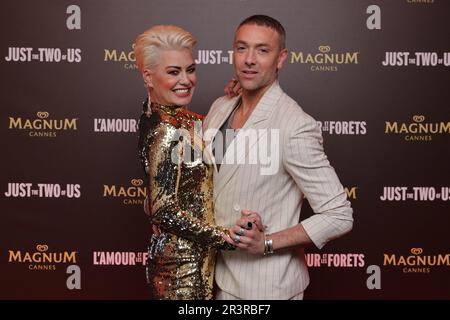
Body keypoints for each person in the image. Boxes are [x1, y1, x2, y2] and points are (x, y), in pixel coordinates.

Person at [203, 15, 354, 300]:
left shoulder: (294, 125)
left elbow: (339, 215)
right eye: (241, 48)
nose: (249, 59)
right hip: (219, 278)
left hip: (267, 287)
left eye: (262, 50)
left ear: (281, 58)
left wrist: (268, 243)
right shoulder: (220, 107)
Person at [135, 25, 239, 300]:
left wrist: (235, 100)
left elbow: (219, 140)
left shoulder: (180, 118)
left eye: (190, 70)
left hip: (200, 260)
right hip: (181, 272)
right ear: (148, 76)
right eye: (173, 72)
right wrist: (226, 238)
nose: (186, 80)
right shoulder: (165, 130)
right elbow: (164, 211)